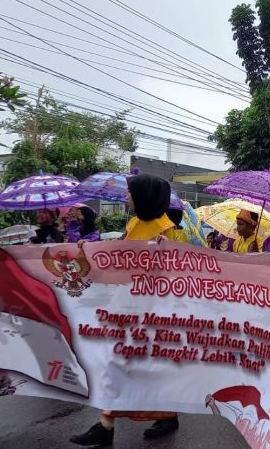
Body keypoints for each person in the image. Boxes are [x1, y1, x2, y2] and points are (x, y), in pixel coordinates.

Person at [70, 174, 181, 447]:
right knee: (123, 363)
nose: (126, 197)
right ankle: (112, 423)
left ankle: (115, 423)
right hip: (128, 306)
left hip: (151, 312)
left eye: (131, 193)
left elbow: (171, 273)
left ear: (144, 196)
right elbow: (120, 253)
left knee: (139, 366)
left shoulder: (166, 231)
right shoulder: (133, 224)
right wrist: (93, 249)